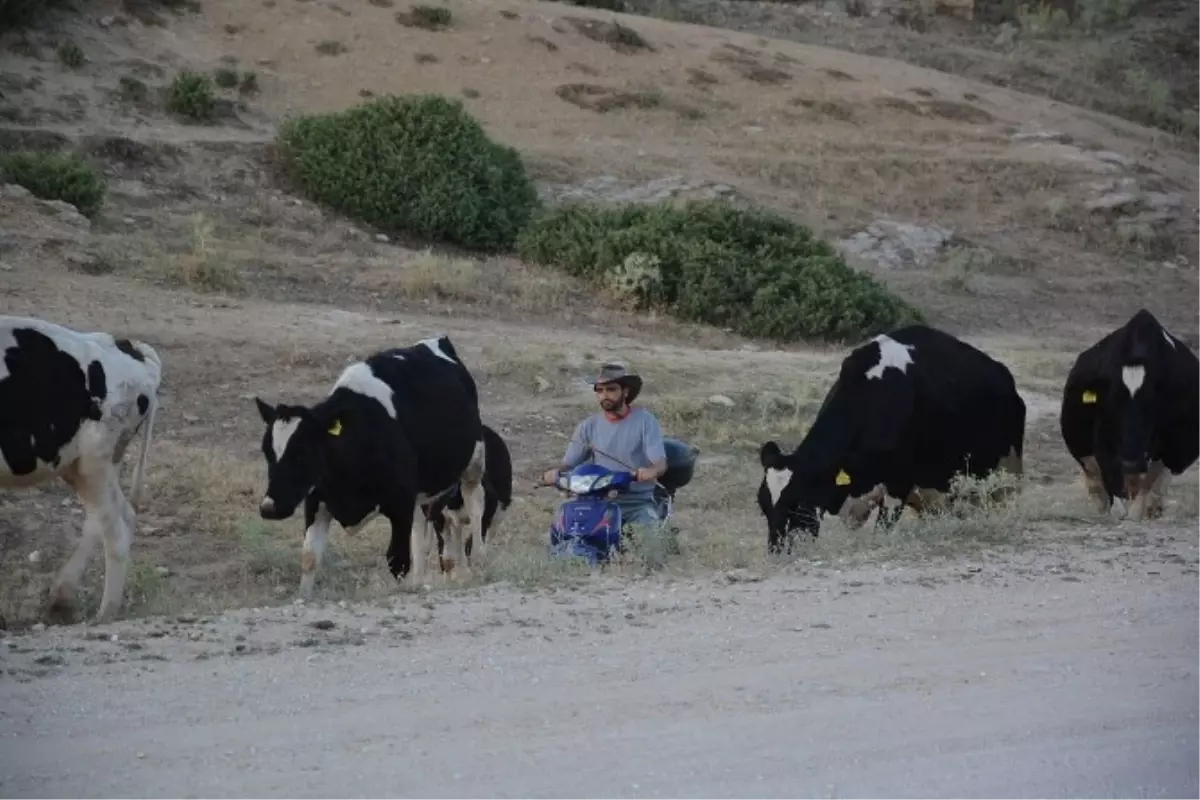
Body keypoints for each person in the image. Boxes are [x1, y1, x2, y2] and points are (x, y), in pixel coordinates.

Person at [542, 362, 668, 533]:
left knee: (648, 540)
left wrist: (651, 471)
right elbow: (569, 463)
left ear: (625, 391)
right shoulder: (588, 426)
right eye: (599, 391)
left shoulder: (645, 421)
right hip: (596, 500)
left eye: (611, 389)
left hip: (635, 502)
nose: (604, 395)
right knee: (562, 532)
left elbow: (659, 462)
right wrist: (554, 473)